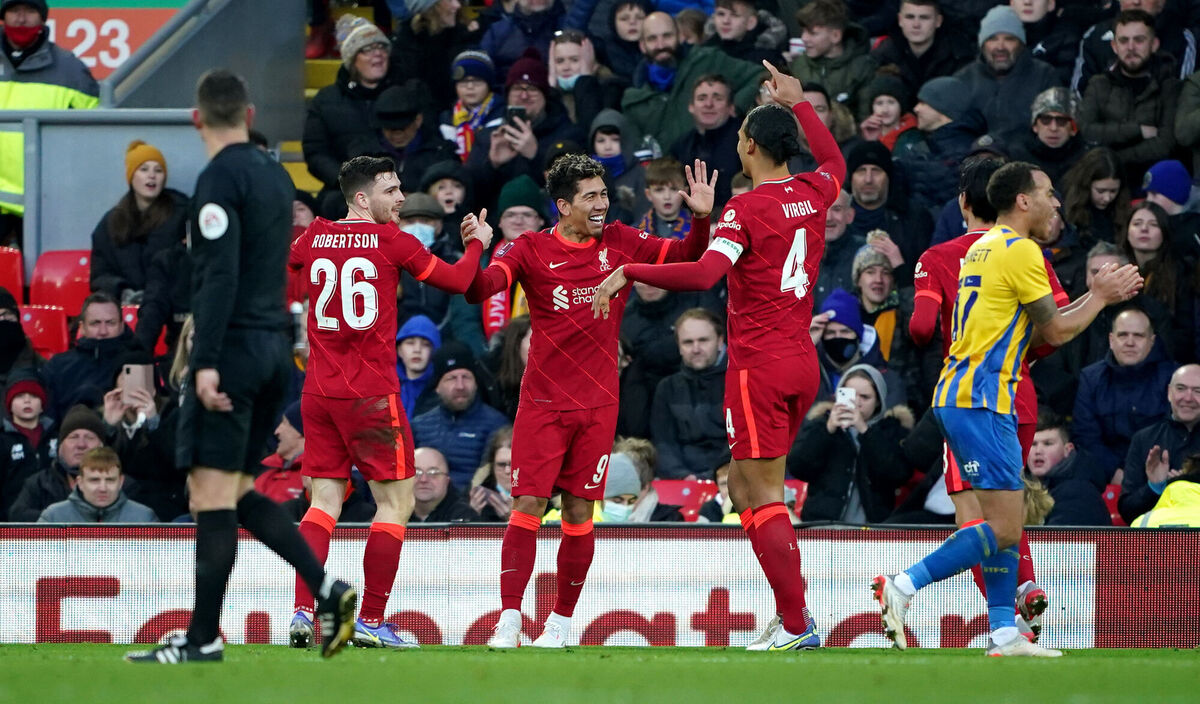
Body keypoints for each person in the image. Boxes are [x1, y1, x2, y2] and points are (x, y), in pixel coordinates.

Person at [594, 61, 844, 651]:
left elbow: (706, 271)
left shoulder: (747, 209)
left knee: (760, 496)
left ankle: (796, 623)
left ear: (750, 145)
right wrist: (802, 100)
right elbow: (834, 161)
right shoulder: (813, 191)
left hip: (757, 366)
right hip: (801, 361)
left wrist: (628, 268)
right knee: (743, 490)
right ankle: (792, 618)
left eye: (738, 137)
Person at [126, 70, 357, 665]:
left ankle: (204, 638)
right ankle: (327, 591)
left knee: (209, 492)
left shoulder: (217, 178)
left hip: (231, 350)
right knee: (234, 488)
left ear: (196, 118)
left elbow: (220, 274)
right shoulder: (277, 179)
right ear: (250, 114)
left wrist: (202, 363)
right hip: (274, 351)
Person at [872, 160, 1142, 657]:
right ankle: (903, 585)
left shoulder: (983, 248)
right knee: (1002, 526)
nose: (1056, 203)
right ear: (1023, 200)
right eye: (1047, 194)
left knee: (1004, 524)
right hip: (982, 397)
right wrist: (1100, 296)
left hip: (966, 393)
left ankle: (1003, 633)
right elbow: (1055, 331)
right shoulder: (1021, 251)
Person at [467, 152, 714, 648]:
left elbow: (690, 256)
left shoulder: (622, 241)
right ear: (563, 205)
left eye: (603, 193)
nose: (601, 204)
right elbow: (483, 288)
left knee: (580, 512)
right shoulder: (530, 248)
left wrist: (703, 217)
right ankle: (510, 618)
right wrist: (477, 250)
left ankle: (559, 623)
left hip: (598, 403)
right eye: (590, 197)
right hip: (542, 402)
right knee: (529, 504)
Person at [286, 154, 491, 649]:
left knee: (324, 502)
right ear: (362, 198)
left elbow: (293, 268)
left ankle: (302, 611)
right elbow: (463, 284)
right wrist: (475, 247)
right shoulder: (391, 240)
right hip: (372, 394)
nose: (401, 199)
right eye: (391, 190)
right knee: (396, 503)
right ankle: (372, 619)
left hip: (318, 390)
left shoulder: (313, 236)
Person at [0, 0, 99, 222]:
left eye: (30, 11)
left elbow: (94, 139)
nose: (22, 18)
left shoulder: (72, 71)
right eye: (14, 10)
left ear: (43, 18)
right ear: (3, 16)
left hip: (47, 203)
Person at [620, 11, 764, 151]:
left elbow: (760, 75)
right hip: (668, 172)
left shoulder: (708, 60)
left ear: (681, 36)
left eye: (667, 36)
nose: (661, 45)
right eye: (652, 39)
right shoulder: (633, 100)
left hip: (717, 160)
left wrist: (734, 107)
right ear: (642, 45)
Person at [788, 363, 913, 522]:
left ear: (878, 401)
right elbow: (798, 467)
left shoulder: (891, 429)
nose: (856, 402)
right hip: (823, 525)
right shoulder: (821, 424)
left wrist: (864, 430)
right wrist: (828, 429)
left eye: (865, 397)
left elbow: (899, 473)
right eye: (850, 394)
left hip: (872, 529)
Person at [303, 14, 396, 218]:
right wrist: (347, 180)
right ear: (352, 59)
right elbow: (315, 153)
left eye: (381, 48)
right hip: (345, 191)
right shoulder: (326, 100)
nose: (378, 55)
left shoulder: (403, 94)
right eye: (367, 50)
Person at [1079, 9, 1183, 187]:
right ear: (1114, 46)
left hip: (1154, 183)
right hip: (1104, 184)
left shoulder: (1169, 86)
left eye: (1139, 40)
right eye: (1124, 40)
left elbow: (1165, 145)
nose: (1131, 47)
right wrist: (1138, 130)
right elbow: (1086, 130)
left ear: (1154, 44)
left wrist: (1112, 158)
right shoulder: (1099, 84)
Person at [1072, 307, 1174, 485]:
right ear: (1111, 340)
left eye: (1139, 336)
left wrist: (1151, 474)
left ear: (1152, 341)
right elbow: (1086, 436)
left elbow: (1176, 433)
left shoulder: (1173, 378)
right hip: (1105, 477)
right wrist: (1114, 473)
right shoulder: (1091, 378)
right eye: (1123, 335)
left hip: (1162, 473)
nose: (1130, 342)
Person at [89, 140, 189, 305]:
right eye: (144, 169)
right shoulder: (111, 222)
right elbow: (100, 274)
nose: (152, 175)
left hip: (170, 307)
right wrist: (122, 292)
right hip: (124, 308)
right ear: (131, 176)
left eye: (158, 170)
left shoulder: (183, 213)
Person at [952, 5, 1058, 146]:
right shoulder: (962, 79)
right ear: (982, 45)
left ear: (1021, 44)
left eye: (1009, 39)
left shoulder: (1045, 75)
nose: (1000, 47)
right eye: (992, 39)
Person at [411, 342, 509, 488]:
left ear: (476, 383)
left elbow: (493, 480)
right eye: (451, 378)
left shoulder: (496, 425)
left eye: (466, 377)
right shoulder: (418, 426)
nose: (460, 386)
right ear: (437, 386)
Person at [651, 308, 728, 479]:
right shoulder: (666, 388)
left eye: (703, 340)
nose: (696, 349)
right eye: (687, 342)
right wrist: (683, 476)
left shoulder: (739, 382)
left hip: (731, 477)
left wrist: (718, 475)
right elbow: (663, 443)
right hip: (681, 480)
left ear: (720, 341)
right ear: (679, 347)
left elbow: (743, 442)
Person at [1120, 364, 1200, 524]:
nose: (1188, 397)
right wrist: (1154, 487)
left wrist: (1186, 484)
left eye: (1198, 391)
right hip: (1157, 543)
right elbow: (1128, 513)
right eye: (1181, 388)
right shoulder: (1144, 439)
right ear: (1170, 393)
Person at [41, 292, 135, 420]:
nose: (103, 331)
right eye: (95, 323)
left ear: (122, 326)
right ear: (82, 327)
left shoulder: (136, 362)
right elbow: (47, 419)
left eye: (110, 323)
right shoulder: (58, 366)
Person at [8, 404, 105, 522]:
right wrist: (63, 518)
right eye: (73, 437)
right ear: (60, 447)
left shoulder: (121, 484)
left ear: (102, 446)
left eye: (89, 437)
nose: (81, 444)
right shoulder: (39, 483)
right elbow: (17, 515)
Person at [789, 0, 877, 119]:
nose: (804, 38)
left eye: (812, 33)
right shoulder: (798, 65)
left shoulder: (863, 68)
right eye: (803, 31)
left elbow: (865, 117)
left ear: (836, 36)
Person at [1026, 412, 1114, 526]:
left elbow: (1058, 542)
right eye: (1033, 444)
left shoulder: (1079, 493)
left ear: (1068, 449)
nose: (1038, 451)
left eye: (1048, 444)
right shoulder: (1021, 486)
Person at [870, 0, 974, 96]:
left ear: (938, 21)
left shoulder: (959, 58)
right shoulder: (881, 56)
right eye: (910, 17)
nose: (916, 25)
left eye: (924, 17)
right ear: (900, 20)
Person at [670, 75, 742, 209]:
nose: (709, 104)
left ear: (731, 107)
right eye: (701, 98)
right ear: (691, 106)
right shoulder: (680, 147)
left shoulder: (747, 142)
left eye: (718, 98)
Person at [37, 446, 155, 523]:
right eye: (94, 480)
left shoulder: (144, 518)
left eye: (110, 480)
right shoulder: (53, 518)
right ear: (80, 483)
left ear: (121, 482)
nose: (103, 488)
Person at [0, 371, 52, 520]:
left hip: (53, 522)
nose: (27, 401)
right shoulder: (3, 440)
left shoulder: (57, 435)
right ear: (9, 404)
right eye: (20, 396)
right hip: (10, 522)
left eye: (34, 396)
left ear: (42, 404)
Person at [1060, 147, 1131, 250]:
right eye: (1101, 191)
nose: (1107, 198)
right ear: (1086, 185)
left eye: (1113, 191)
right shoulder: (1065, 206)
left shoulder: (1122, 211)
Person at [1141, 159, 1200, 262]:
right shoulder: (1158, 223)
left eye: (1154, 194)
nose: (1149, 200)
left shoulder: (1194, 229)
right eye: (1147, 194)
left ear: (1174, 194)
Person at [813, 189, 862, 302]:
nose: (829, 218)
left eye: (836, 209)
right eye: (823, 209)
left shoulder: (865, 253)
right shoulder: (796, 253)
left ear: (849, 215)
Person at [254, 401, 306, 505]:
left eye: (285, 423)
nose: (277, 431)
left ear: (301, 432)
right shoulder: (262, 470)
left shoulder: (317, 478)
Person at [410, 446, 479, 522]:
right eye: (416, 472)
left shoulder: (465, 517)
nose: (423, 479)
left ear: (447, 480)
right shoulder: (394, 513)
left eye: (433, 473)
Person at [396, 315, 442, 420]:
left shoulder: (442, 394)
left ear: (434, 351)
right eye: (410, 343)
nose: (417, 349)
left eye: (425, 344)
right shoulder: (384, 391)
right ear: (399, 350)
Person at [636, 157, 694, 240]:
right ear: (648, 194)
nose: (667, 196)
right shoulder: (635, 232)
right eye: (659, 190)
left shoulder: (699, 231)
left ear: (685, 192)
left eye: (674, 189)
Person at [469, 425, 515, 521]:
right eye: (501, 465)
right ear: (492, 466)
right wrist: (471, 516)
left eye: (514, 464)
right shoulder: (473, 496)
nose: (507, 471)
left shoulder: (547, 499)